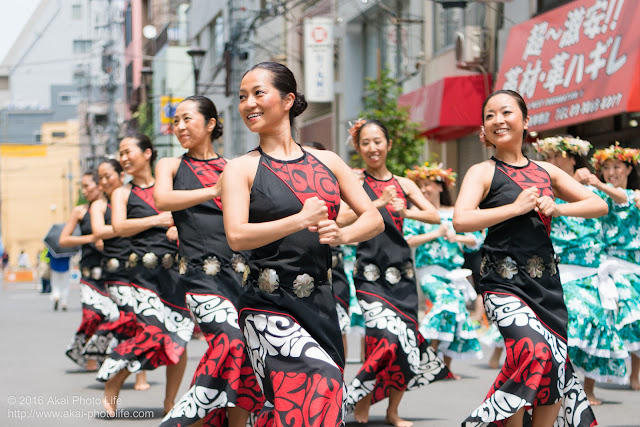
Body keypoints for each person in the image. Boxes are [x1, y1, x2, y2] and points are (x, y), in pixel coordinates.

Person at [222, 61, 383, 426]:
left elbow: (373, 218)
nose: (249, 103)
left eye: (258, 93)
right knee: (312, 392)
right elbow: (236, 235)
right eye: (243, 96)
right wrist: (299, 220)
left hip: (321, 306)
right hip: (267, 306)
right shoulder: (241, 168)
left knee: (321, 407)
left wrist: (343, 235)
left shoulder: (328, 161)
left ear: (288, 100)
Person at [454, 89, 603, 426]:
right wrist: (515, 208)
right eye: (489, 116)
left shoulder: (546, 171)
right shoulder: (482, 172)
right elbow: (461, 218)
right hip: (502, 285)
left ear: (525, 121)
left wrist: (559, 208)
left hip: (546, 287)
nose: (498, 120)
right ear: (484, 129)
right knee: (535, 352)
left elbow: (599, 204)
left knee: (553, 365)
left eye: (506, 112)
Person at [155, 95, 264, 426]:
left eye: (188, 119)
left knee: (245, 352)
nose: (181, 127)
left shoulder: (233, 167)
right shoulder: (171, 166)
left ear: (211, 123)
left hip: (240, 279)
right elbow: (163, 199)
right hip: (201, 281)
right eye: (176, 121)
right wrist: (212, 191)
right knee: (230, 341)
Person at [339, 119, 451, 427]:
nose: (372, 148)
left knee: (406, 342)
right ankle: (358, 400)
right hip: (369, 276)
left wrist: (405, 211)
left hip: (402, 276)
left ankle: (392, 411)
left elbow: (432, 214)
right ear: (359, 148)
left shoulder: (404, 183)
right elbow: (343, 216)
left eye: (378, 141)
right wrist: (378, 202)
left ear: (388, 145)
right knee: (384, 338)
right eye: (365, 143)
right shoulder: (355, 181)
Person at [98, 134, 194, 417]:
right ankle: (115, 379)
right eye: (121, 154)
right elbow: (119, 227)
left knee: (179, 336)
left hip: (175, 274)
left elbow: (190, 218)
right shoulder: (122, 193)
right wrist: (156, 220)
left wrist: (180, 228)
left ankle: (169, 402)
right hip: (142, 276)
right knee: (151, 332)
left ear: (148, 153)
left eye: (128, 152)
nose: (124, 158)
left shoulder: (172, 188)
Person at [533, 136, 630, 405]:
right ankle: (559, 387)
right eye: (548, 157)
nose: (552, 162)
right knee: (569, 326)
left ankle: (587, 389)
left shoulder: (594, 191)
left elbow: (622, 207)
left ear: (574, 158)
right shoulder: (541, 192)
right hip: (559, 269)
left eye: (558, 157)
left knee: (597, 323)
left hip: (591, 270)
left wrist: (596, 182)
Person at [403, 162, 483, 379]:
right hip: (429, 272)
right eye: (420, 186)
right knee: (447, 303)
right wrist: (436, 233)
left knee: (455, 313)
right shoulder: (418, 214)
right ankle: (424, 357)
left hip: (454, 274)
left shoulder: (455, 212)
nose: (424, 189)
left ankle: (443, 367)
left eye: (428, 184)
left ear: (440, 186)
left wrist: (457, 237)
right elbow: (408, 240)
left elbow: (477, 238)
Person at [576, 143, 640, 391]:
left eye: (617, 167)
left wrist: (599, 184)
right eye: (606, 168)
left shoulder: (634, 194)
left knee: (635, 321)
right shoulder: (595, 196)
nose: (612, 172)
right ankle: (589, 384)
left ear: (629, 168)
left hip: (634, 266)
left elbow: (624, 199)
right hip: (606, 265)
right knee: (605, 319)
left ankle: (635, 374)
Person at [86, 158, 149, 390]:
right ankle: (126, 371)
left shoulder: (131, 198)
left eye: (108, 176)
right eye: (100, 178)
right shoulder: (100, 206)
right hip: (115, 275)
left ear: (121, 176)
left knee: (140, 322)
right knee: (133, 319)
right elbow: (98, 231)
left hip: (138, 271)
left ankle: (122, 365)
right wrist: (125, 225)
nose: (103, 182)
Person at [59, 171, 118, 370]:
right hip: (89, 273)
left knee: (112, 316)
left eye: (87, 186)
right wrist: (91, 238)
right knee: (91, 315)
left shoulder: (113, 208)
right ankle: (89, 356)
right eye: (82, 187)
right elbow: (64, 240)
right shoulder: (80, 211)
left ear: (100, 186)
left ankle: (102, 354)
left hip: (112, 272)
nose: (85, 190)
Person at [303, 140, 353, 358]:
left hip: (333, 267)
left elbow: (352, 214)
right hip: (299, 268)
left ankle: (338, 375)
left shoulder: (336, 186)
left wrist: (341, 233)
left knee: (339, 324)